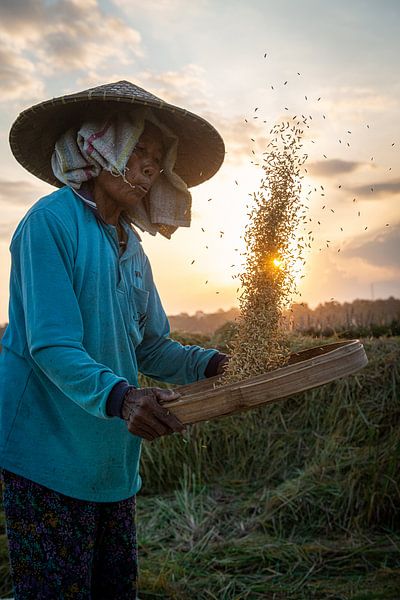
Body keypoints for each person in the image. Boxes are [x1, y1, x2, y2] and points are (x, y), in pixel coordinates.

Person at [0, 80, 228, 599]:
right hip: (48, 456)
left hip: (110, 462)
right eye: (138, 152)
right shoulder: (49, 224)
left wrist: (216, 364)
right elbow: (52, 346)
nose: (151, 168)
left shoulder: (131, 249)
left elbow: (152, 348)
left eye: (157, 159)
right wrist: (124, 398)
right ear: (98, 150)